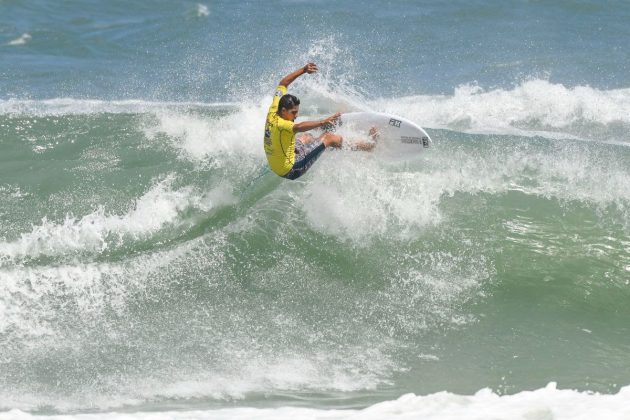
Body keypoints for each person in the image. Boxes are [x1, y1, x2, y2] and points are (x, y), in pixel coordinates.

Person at [263, 63, 344, 180]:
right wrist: (323, 122)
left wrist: (303, 70)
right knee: (328, 137)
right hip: (292, 169)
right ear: (284, 110)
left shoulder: (274, 109)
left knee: (306, 137)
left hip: (278, 165)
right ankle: (362, 146)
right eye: (293, 112)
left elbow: (283, 84)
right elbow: (299, 126)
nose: (296, 115)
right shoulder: (283, 124)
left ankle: (325, 147)